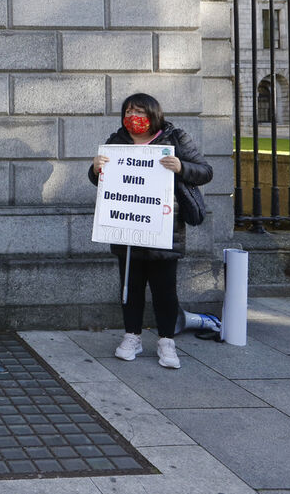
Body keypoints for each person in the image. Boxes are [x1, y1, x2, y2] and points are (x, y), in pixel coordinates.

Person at [88, 93, 213, 370]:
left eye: (141, 111)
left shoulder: (175, 138)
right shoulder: (117, 141)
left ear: (154, 114)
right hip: (127, 228)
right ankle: (132, 336)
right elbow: (101, 180)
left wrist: (181, 167)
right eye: (130, 110)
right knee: (130, 287)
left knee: (164, 290)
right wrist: (96, 169)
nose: (135, 116)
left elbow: (205, 171)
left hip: (164, 229)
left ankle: (166, 340)